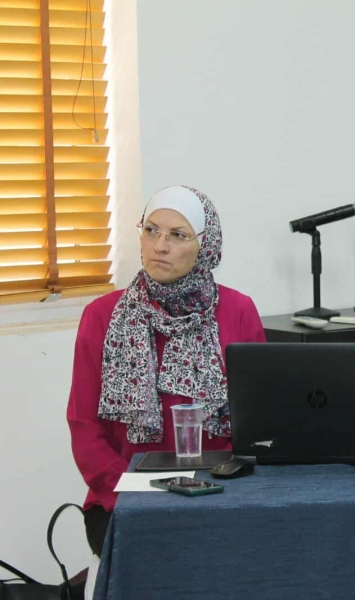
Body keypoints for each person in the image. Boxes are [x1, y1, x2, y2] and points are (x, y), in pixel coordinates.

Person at [67, 185, 265, 556]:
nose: (159, 246)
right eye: (151, 230)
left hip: (219, 490)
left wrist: (224, 487)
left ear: (205, 246)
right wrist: (134, 490)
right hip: (126, 494)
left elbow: (259, 420)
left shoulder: (238, 311)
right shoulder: (102, 316)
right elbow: (85, 427)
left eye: (177, 235)